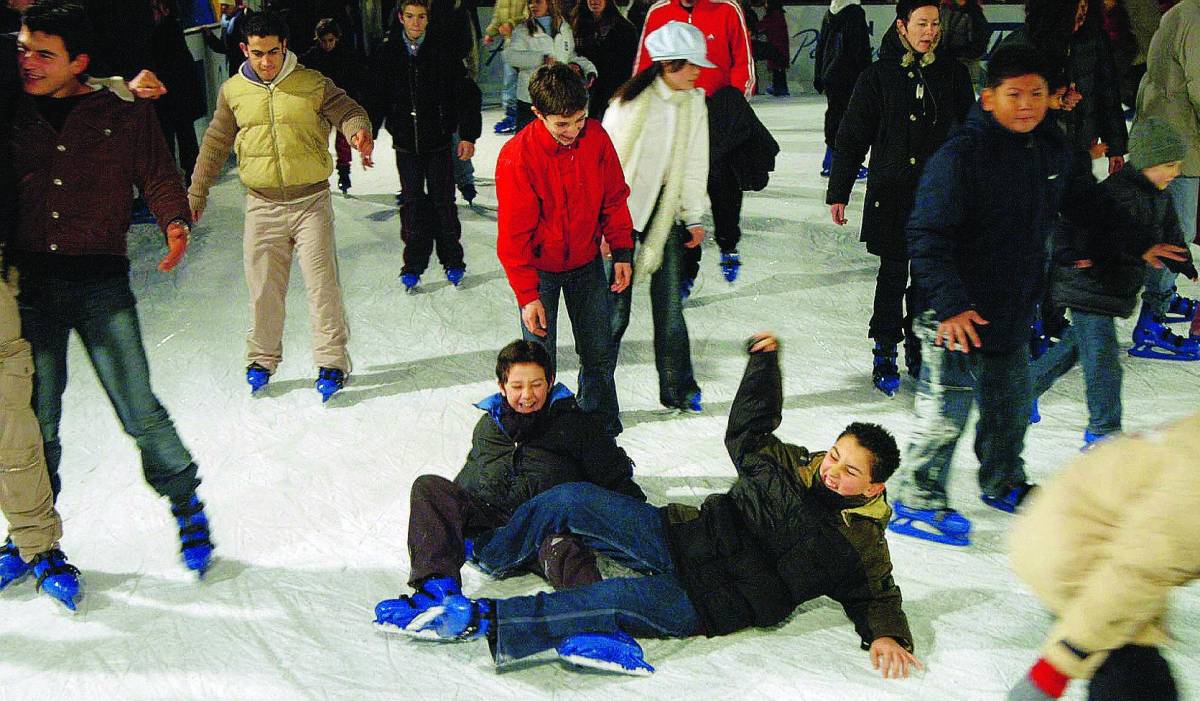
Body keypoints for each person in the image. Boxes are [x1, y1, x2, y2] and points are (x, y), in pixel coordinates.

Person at [387, 334, 921, 679]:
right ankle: (496, 554)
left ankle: (477, 616)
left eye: (849, 470)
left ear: (873, 488)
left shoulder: (860, 543)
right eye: (835, 455)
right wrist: (763, 366)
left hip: (709, 600)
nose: (832, 470)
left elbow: (876, 594)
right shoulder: (783, 464)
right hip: (681, 534)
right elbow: (750, 430)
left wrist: (888, 634)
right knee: (572, 499)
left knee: (607, 599)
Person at [8, 0, 213, 577]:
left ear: (79, 63)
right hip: (30, 288)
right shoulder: (12, 109)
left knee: (138, 408)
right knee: (36, 420)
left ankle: (186, 502)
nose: (27, 62)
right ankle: (31, 534)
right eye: (23, 49)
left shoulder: (120, 113)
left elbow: (157, 173)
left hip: (100, 284)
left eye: (43, 54)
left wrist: (174, 223)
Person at [887, 44, 1076, 546]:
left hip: (1009, 310)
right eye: (1014, 94)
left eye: (1036, 93)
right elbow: (927, 236)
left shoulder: (1046, 148)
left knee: (1009, 409)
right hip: (952, 313)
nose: (1027, 105)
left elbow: (1076, 207)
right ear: (988, 98)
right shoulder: (961, 156)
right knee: (946, 413)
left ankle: (1002, 481)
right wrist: (951, 305)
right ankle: (917, 498)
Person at [373, 340, 646, 628]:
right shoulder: (490, 426)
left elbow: (615, 480)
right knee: (428, 487)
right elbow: (467, 483)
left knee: (565, 546)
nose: (527, 395)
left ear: (551, 382)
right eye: (517, 386)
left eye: (537, 384)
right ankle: (436, 593)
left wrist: (648, 532)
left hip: (541, 535)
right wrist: (448, 530)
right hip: (489, 532)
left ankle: (593, 622)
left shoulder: (577, 427)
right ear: (502, 386)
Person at [188, 11, 373, 401]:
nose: (267, 61)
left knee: (323, 287)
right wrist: (196, 193)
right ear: (244, 50)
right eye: (258, 53)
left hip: (311, 202)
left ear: (285, 47)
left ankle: (331, 361)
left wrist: (359, 132)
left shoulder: (312, 83)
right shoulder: (233, 92)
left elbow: (349, 110)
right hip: (261, 205)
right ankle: (261, 358)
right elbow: (215, 145)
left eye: (273, 51)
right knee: (263, 289)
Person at [828, 0, 975, 398]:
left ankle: (919, 345)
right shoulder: (878, 76)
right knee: (892, 276)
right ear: (901, 27)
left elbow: (971, 135)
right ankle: (885, 349)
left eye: (935, 24)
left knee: (928, 278)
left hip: (937, 198)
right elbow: (853, 135)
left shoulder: (953, 75)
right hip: (891, 196)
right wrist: (838, 191)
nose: (930, 32)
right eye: (921, 24)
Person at [1005, 412, 1200, 701]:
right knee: (1134, 675)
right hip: (1078, 554)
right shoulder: (1192, 497)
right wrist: (1054, 669)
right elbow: (1135, 575)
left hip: (1079, 525)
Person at [1031, 119, 1197, 450]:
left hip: (1110, 288)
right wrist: (1074, 258)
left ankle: (1022, 392)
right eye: (1169, 165)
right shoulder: (1117, 193)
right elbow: (1079, 229)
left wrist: (1185, 265)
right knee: (1103, 362)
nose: (1175, 173)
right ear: (1147, 161)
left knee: (1074, 348)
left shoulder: (1159, 197)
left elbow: (1170, 236)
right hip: (1087, 284)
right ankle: (1103, 431)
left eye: (1178, 166)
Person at [495, 63, 633, 437]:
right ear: (537, 114)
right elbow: (512, 237)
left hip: (586, 264)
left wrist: (621, 249)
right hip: (539, 273)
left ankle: (599, 429)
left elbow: (614, 198)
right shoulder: (517, 156)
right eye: (562, 124)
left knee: (599, 353)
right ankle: (540, 435)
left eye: (579, 120)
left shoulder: (596, 138)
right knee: (540, 360)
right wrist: (527, 295)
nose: (572, 132)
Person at [605, 21, 710, 413]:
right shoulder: (629, 104)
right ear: (669, 65)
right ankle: (597, 394)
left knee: (670, 308)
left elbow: (696, 162)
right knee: (615, 315)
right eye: (691, 66)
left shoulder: (694, 103)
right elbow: (606, 164)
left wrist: (694, 215)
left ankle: (678, 388)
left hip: (663, 218)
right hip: (618, 221)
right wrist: (602, 224)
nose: (698, 73)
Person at [636, 0, 754, 285]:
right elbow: (642, 66)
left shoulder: (726, 9)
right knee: (677, 187)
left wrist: (731, 110)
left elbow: (743, 65)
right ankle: (686, 270)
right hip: (675, 112)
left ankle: (728, 242)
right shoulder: (659, 12)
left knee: (721, 181)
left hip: (718, 115)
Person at [368, 0, 482, 291]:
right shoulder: (388, 53)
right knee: (413, 203)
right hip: (406, 144)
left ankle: (453, 261)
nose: (416, 23)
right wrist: (368, 134)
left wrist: (467, 134)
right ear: (400, 18)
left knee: (444, 203)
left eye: (421, 17)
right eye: (410, 16)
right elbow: (376, 97)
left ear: (428, 19)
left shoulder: (443, 51)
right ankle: (413, 264)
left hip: (438, 142)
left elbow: (466, 95)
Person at [1129, 0, 1200, 358]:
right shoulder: (1193, 14)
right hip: (1179, 144)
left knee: (1171, 228)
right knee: (1176, 232)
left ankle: (1162, 298)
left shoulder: (1182, 12)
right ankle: (1151, 321)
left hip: (1170, 137)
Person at [503, 0, 596, 132]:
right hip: (530, 99)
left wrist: (588, 70)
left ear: (549, 3)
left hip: (558, 97)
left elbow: (570, 55)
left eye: (538, 2)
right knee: (527, 143)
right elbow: (510, 56)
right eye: (530, 2)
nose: (533, 6)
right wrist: (541, 59)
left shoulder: (564, 28)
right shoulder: (523, 29)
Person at [302, 18, 367, 194]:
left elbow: (356, 76)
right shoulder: (311, 57)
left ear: (337, 38)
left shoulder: (347, 55)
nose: (327, 44)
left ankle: (344, 173)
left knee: (343, 141)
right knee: (318, 138)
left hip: (341, 103)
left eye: (330, 40)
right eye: (323, 41)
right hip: (320, 105)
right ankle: (318, 174)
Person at [813, 0, 871, 177]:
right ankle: (848, 165)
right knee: (850, 121)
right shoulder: (855, 13)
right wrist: (867, 77)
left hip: (831, 76)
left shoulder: (829, 14)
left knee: (834, 116)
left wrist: (819, 75)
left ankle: (829, 161)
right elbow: (859, 49)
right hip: (849, 76)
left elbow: (821, 47)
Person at [150, 0, 204, 186]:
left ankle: (180, 179)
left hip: (170, 88)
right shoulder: (173, 19)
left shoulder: (163, 25)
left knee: (174, 135)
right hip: (175, 87)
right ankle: (186, 177)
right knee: (181, 134)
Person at [569, 0, 637, 121]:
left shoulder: (625, 29)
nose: (594, 1)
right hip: (583, 93)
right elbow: (572, 55)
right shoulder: (575, 25)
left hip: (614, 94)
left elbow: (630, 67)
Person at [483, 0, 529, 133]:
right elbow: (498, 16)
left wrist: (511, 24)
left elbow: (530, 14)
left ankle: (526, 114)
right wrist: (490, 32)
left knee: (525, 81)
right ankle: (512, 115)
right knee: (509, 81)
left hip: (528, 44)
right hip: (510, 45)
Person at [939, 0, 990, 90]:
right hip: (944, 67)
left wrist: (962, 54)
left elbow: (980, 42)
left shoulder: (974, 13)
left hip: (967, 66)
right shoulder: (942, 9)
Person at [203, 0, 250, 77]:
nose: (223, 8)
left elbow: (226, 47)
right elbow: (224, 47)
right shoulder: (227, 22)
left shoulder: (244, 19)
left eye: (226, 6)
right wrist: (209, 36)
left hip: (244, 65)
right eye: (221, 5)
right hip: (235, 66)